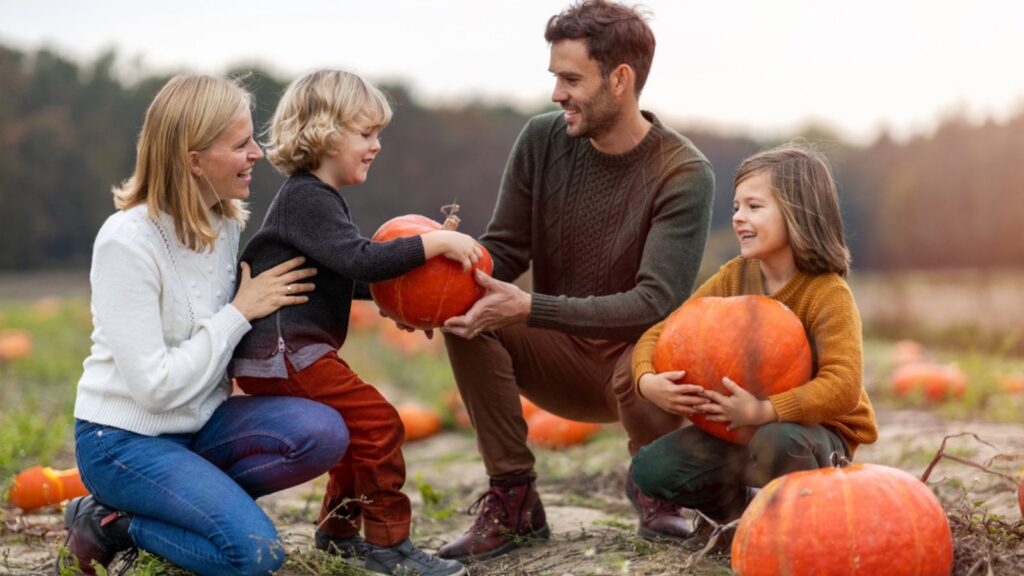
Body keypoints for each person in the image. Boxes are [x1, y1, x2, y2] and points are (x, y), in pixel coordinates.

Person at [437, 0, 715, 561]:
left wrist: (531, 308)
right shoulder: (542, 141)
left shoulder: (684, 172)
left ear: (620, 79)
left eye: (570, 79)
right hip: (559, 359)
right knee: (465, 316)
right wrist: (432, 279)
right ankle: (515, 502)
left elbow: (654, 301)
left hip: (641, 371)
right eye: (554, 78)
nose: (556, 93)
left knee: (652, 351)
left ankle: (656, 482)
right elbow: (506, 250)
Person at [61, 75, 350, 576]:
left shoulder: (225, 225)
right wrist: (240, 312)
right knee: (256, 553)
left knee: (321, 431)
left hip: (202, 424)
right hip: (124, 440)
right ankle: (113, 522)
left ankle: (190, 499)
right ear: (193, 159)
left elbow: (269, 305)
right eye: (241, 145)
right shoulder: (126, 243)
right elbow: (154, 387)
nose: (257, 155)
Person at [230, 69, 476, 576]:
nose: (377, 145)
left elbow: (345, 276)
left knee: (350, 430)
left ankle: (338, 533)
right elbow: (363, 260)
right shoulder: (306, 197)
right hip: (285, 351)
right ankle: (389, 546)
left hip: (285, 351)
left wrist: (396, 305)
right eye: (366, 134)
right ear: (323, 133)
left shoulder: (313, 199)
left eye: (377, 134)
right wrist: (436, 243)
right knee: (380, 424)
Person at [629, 144, 879, 551]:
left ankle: (799, 524)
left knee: (778, 442)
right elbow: (662, 331)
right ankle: (731, 519)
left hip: (814, 438)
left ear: (798, 212)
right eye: (736, 206)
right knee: (654, 468)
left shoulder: (827, 294)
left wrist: (765, 410)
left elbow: (843, 385)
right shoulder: (735, 276)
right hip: (738, 431)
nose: (738, 217)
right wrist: (648, 382)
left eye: (754, 206)